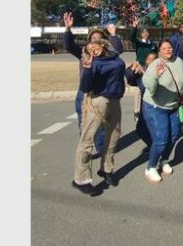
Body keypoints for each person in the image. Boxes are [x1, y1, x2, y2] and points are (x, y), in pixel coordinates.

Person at [63, 12, 122, 155]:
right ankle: (85, 149)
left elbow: (118, 50)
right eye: (93, 38)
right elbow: (69, 46)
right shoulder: (83, 53)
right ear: (89, 41)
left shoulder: (108, 55)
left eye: (99, 38)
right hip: (84, 92)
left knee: (100, 122)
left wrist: (113, 35)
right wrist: (67, 29)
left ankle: (101, 148)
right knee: (83, 121)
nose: (96, 39)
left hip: (100, 93)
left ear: (103, 42)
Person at [72, 39, 125, 195]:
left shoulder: (114, 56)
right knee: (88, 139)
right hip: (98, 100)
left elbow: (118, 48)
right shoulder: (93, 63)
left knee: (113, 137)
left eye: (94, 46)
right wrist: (87, 70)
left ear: (102, 44)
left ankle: (106, 169)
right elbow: (85, 87)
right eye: (89, 50)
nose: (92, 50)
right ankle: (81, 179)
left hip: (115, 100)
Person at [141, 40, 183, 184]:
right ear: (159, 51)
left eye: (170, 47)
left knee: (173, 136)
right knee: (161, 140)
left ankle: (163, 160)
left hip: (174, 106)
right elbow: (148, 86)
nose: (168, 50)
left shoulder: (178, 61)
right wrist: (156, 76)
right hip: (155, 107)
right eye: (164, 48)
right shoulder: (155, 64)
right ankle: (151, 167)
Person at [125, 52, 158, 154]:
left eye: (153, 59)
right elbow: (130, 79)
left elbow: (152, 85)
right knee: (140, 129)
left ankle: (158, 148)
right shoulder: (141, 71)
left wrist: (143, 73)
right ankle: (152, 144)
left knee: (156, 128)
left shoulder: (160, 71)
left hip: (157, 105)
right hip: (145, 106)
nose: (151, 61)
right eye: (149, 59)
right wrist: (131, 68)